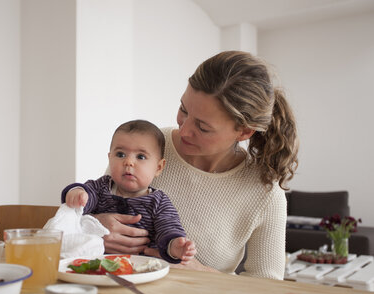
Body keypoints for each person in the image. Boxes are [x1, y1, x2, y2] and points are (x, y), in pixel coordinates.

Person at [94, 51, 299, 280]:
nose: (183, 130)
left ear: (244, 131)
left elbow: (267, 288)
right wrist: (93, 225)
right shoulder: (148, 148)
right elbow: (96, 204)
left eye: (202, 127)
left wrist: (204, 274)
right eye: (184, 110)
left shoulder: (265, 190)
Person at [62, 119, 196, 264]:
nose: (129, 162)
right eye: (120, 154)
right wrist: (77, 192)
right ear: (109, 158)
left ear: (158, 168)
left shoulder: (158, 201)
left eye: (141, 157)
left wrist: (175, 246)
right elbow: (83, 200)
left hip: (140, 268)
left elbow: (168, 228)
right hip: (97, 264)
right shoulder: (101, 187)